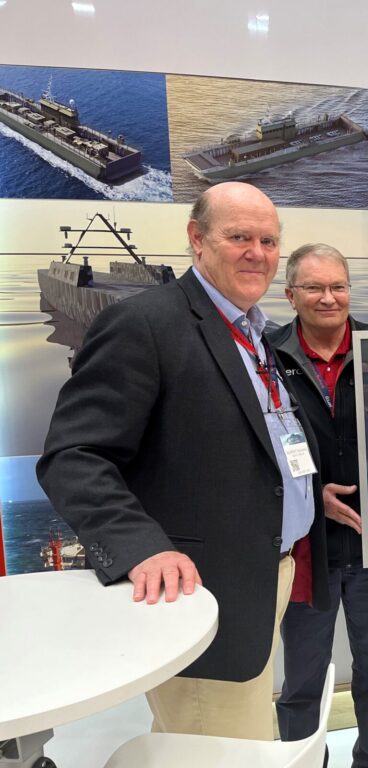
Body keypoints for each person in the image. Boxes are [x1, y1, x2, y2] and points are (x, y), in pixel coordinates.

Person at [36, 181, 330, 739]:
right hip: (202, 592)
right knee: (217, 746)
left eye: (269, 240)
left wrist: (313, 493)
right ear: (197, 239)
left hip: (266, 575)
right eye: (239, 236)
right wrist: (141, 548)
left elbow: (255, 438)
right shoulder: (145, 324)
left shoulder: (255, 330)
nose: (258, 253)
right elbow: (74, 455)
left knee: (245, 734)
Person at [270, 243, 368, 768]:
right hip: (306, 548)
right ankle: (302, 762)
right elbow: (255, 449)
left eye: (338, 286)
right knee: (302, 681)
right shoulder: (266, 355)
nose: (328, 298)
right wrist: (314, 498)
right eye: (313, 287)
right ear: (290, 295)